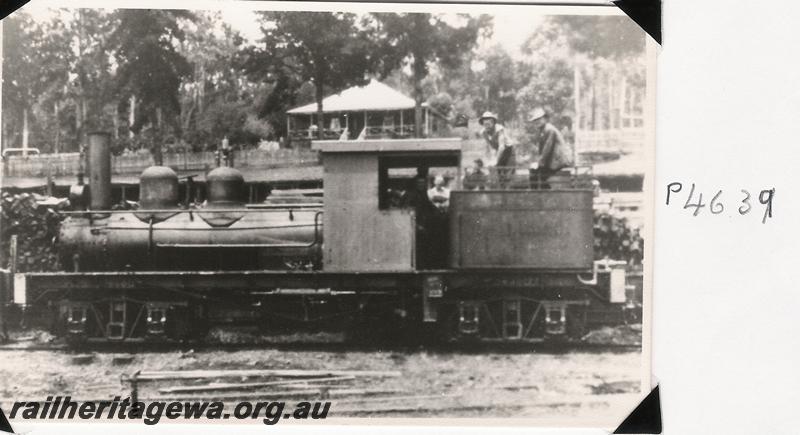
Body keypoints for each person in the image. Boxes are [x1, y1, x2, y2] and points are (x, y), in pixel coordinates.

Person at [527, 107, 574, 189]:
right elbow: (542, 150)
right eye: (535, 120)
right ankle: (543, 192)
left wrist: (539, 163)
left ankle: (540, 194)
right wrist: (538, 162)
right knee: (536, 173)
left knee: (536, 174)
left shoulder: (549, 129)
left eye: (539, 119)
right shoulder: (543, 130)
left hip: (559, 161)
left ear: (545, 119)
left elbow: (547, 149)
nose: (537, 122)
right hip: (554, 160)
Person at [478, 111, 515, 186]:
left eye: (488, 124)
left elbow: (501, 147)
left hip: (508, 151)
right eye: (485, 124)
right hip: (498, 151)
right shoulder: (483, 132)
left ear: (493, 123)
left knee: (508, 174)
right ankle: (500, 190)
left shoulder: (499, 129)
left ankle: (508, 189)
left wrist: (495, 160)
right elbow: (488, 146)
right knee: (498, 173)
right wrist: (488, 160)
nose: (487, 126)